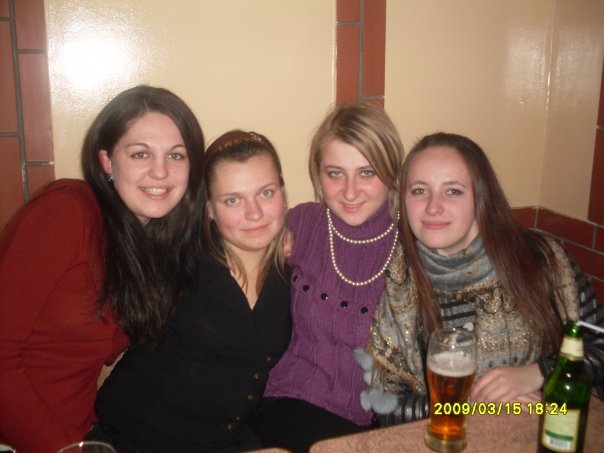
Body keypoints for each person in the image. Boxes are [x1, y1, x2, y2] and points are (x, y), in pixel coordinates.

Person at [0, 85, 206, 453]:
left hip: (87, 435)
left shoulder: (151, 244)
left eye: (176, 155)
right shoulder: (67, 213)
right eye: (140, 154)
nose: (160, 171)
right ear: (107, 162)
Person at [360, 132, 604, 424]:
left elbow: (600, 346)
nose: (433, 207)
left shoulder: (542, 260)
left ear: (481, 197)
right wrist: (467, 405)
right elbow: (384, 406)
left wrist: (540, 373)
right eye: (419, 190)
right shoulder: (398, 278)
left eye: (453, 191)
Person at [91, 130, 292, 452]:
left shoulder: (291, 276)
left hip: (223, 441)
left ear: (283, 193)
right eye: (233, 200)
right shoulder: (178, 262)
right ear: (209, 208)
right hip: (132, 439)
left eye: (266, 193)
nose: (254, 213)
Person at [251, 102, 405, 452]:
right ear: (317, 174)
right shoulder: (303, 224)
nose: (350, 192)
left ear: (392, 171)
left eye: (367, 173)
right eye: (335, 173)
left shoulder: (413, 242)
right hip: (289, 400)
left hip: (380, 418)